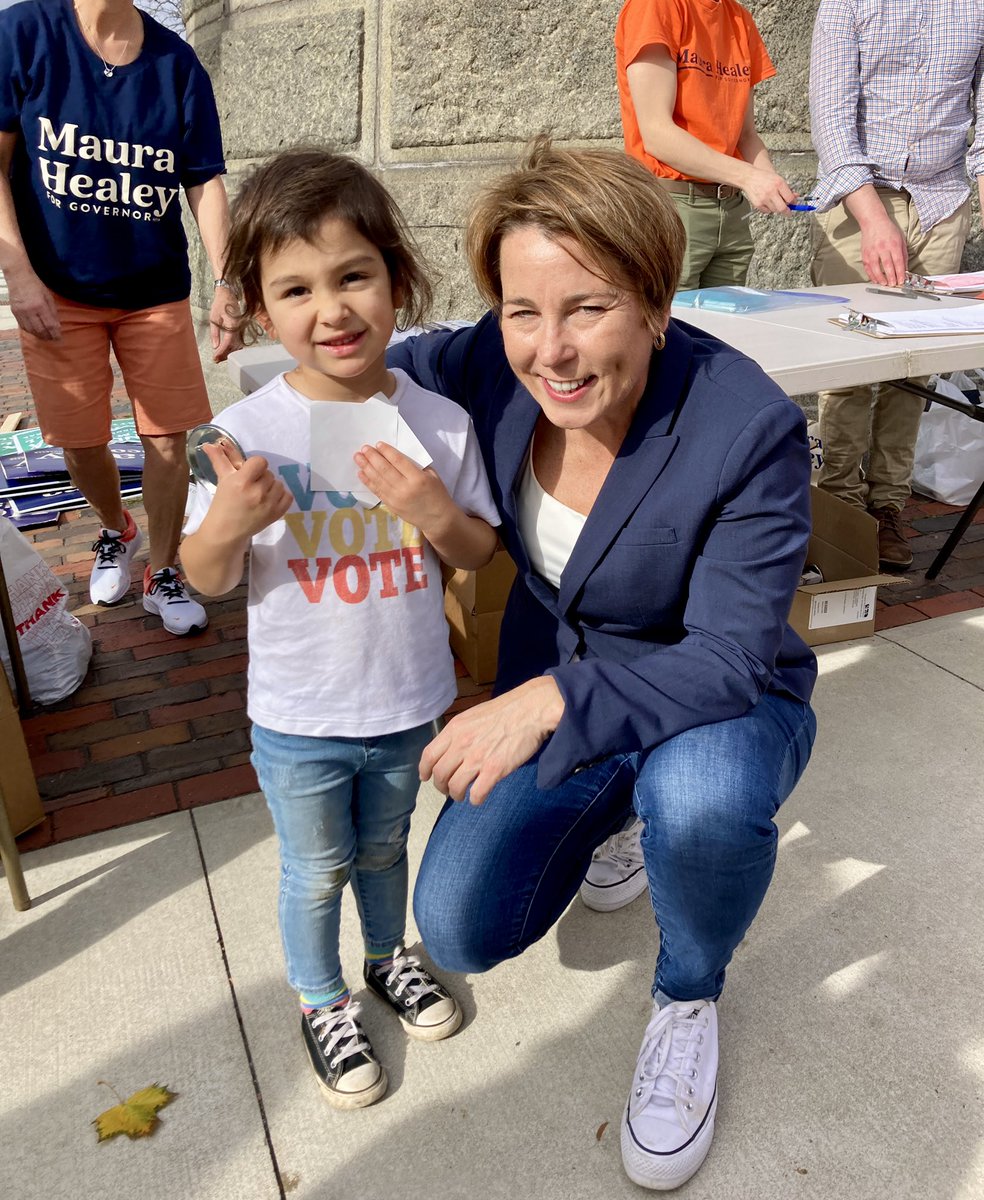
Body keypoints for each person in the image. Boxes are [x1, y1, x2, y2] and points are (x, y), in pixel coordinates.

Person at [388, 139, 817, 1191]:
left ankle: (689, 994)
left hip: (721, 693)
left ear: (657, 303)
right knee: (458, 927)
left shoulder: (746, 425)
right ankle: (620, 825)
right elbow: (388, 357)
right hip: (573, 693)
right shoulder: (494, 359)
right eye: (523, 309)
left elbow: (723, 657)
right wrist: (297, 362)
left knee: (706, 800)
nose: (552, 350)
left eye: (588, 307)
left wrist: (544, 700)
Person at [179, 150, 500, 1109]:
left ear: (397, 278)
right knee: (314, 867)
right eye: (296, 289)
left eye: (354, 275)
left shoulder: (437, 422)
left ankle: (385, 957)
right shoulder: (243, 433)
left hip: (408, 699)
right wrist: (231, 519)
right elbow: (202, 575)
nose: (333, 309)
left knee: (386, 847)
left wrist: (437, 514)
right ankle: (321, 1001)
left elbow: (479, 552)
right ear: (260, 310)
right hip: (300, 712)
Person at [0, 0, 239, 634]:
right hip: (56, 291)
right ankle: (117, 527)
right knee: (78, 443)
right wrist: (18, 276)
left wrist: (226, 279)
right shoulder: (24, 34)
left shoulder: (176, 62)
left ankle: (162, 570)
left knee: (168, 438)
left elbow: (204, 178)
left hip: (153, 290)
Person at [809, 0, 984, 568]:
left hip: (944, 200)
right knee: (850, 362)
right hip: (861, 196)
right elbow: (832, 120)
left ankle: (888, 506)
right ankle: (840, 504)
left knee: (914, 369)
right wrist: (874, 220)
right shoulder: (848, 5)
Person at [615, 0, 797, 291]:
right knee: (670, 331)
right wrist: (749, 177)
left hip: (731, 209)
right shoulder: (655, 7)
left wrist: (771, 183)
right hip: (672, 207)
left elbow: (745, 135)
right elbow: (656, 133)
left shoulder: (740, 19)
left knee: (722, 331)